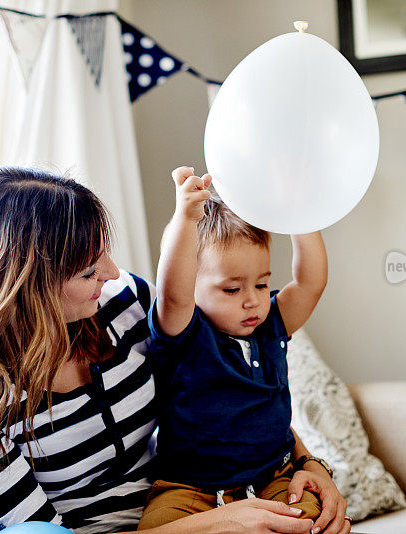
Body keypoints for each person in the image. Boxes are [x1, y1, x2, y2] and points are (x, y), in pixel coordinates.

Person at [0, 166, 350, 534]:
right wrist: (218, 523)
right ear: (25, 285)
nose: (113, 271)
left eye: (105, 251)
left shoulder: (123, 306)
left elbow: (225, 396)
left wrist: (308, 465)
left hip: (208, 496)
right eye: (88, 269)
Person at [138, 167, 342, 534]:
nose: (252, 301)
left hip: (273, 477)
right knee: (158, 526)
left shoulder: (272, 324)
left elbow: (312, 282)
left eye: (262, 284)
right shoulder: (185, 333)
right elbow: (173, 293)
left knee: (309, 517)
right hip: (189, 490)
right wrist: (185, 218)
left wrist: (300, 211)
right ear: (194, 286)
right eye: (231, 290)